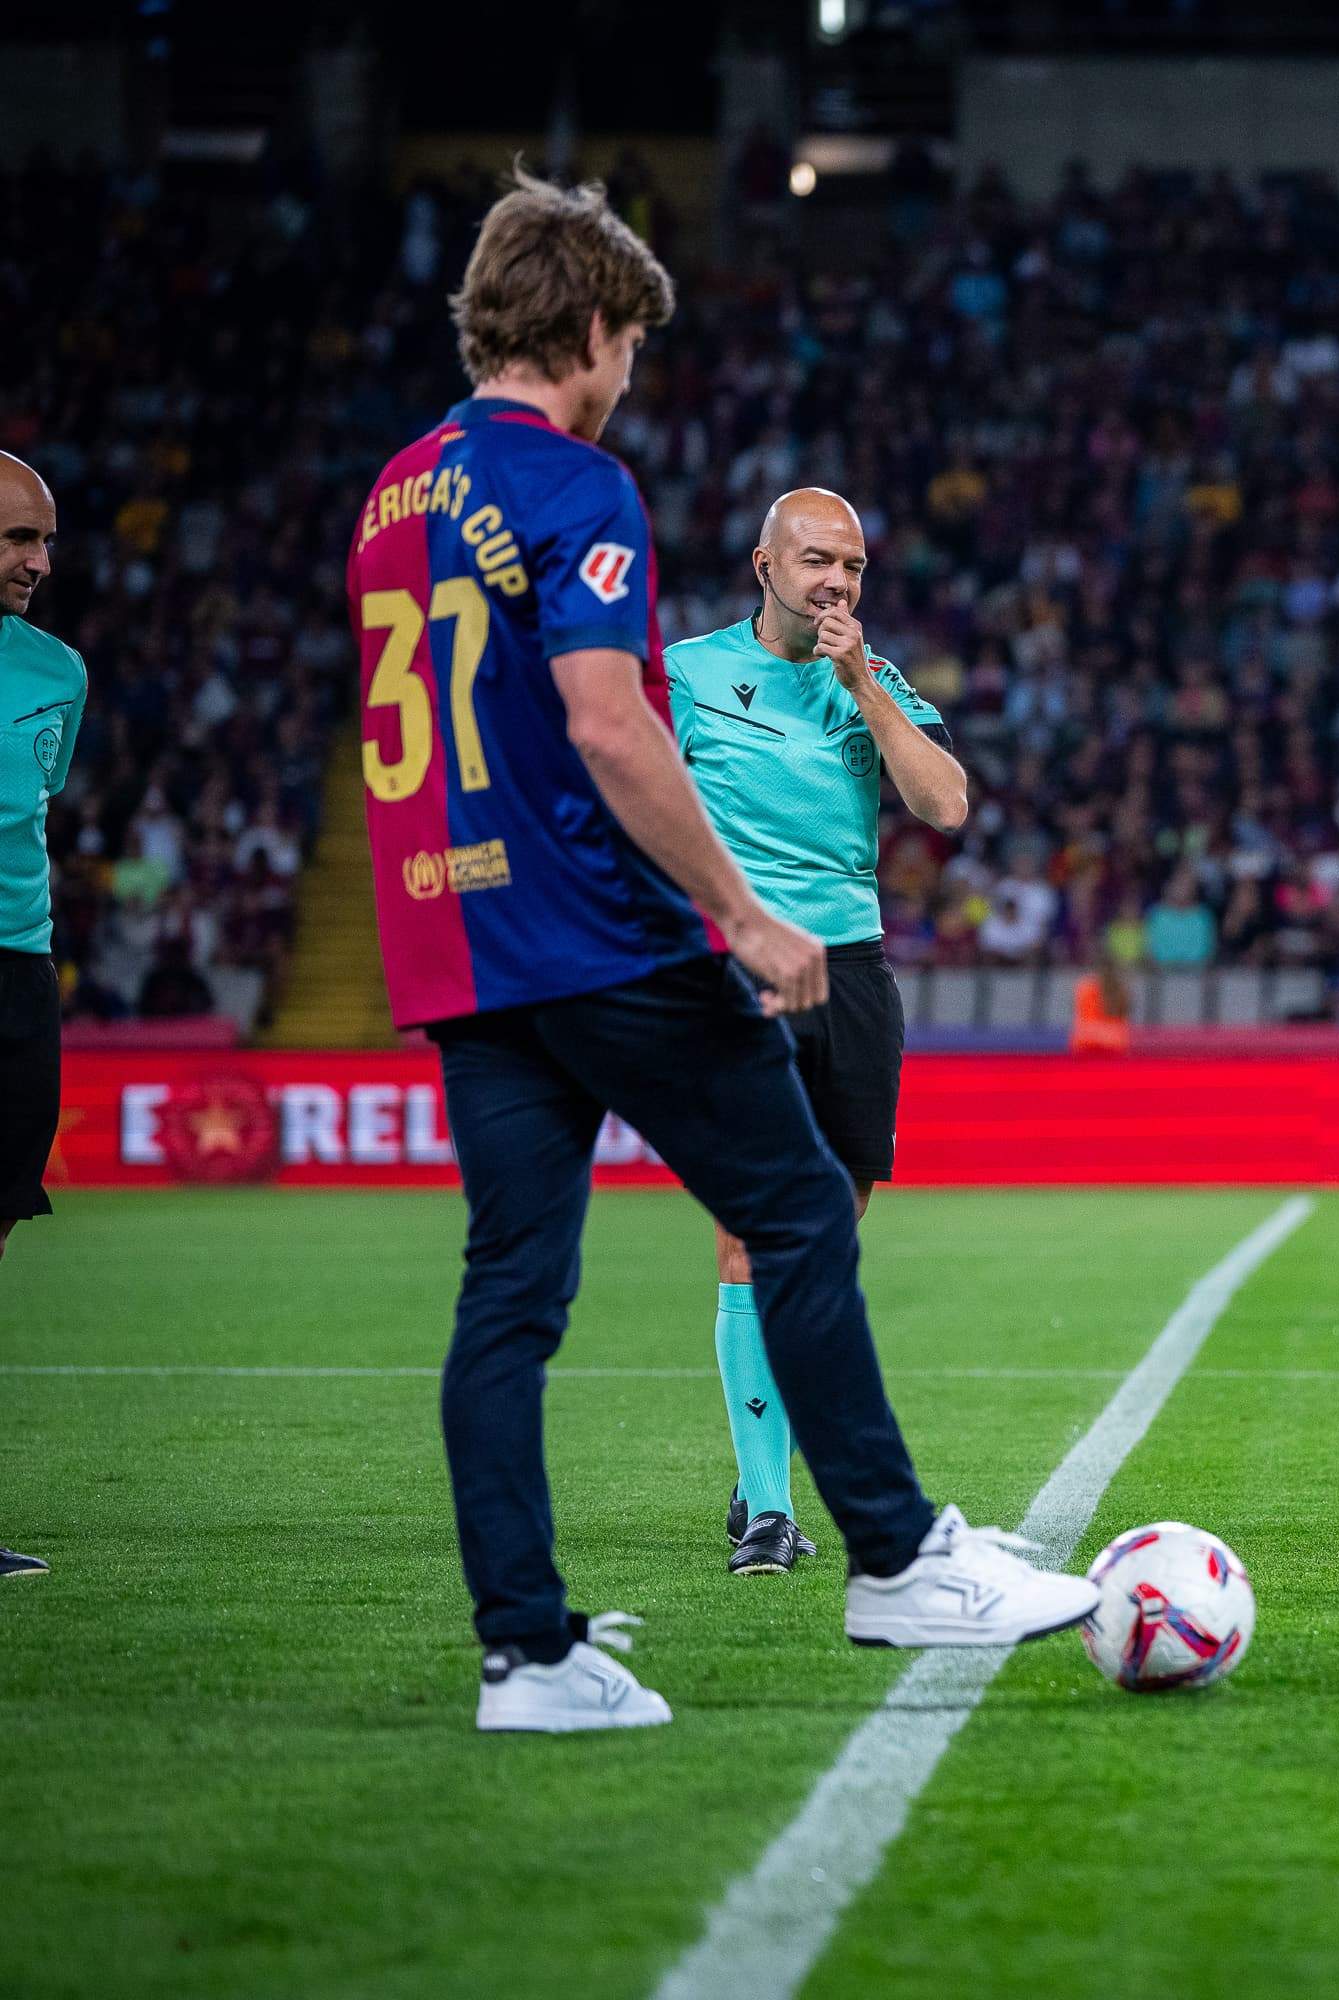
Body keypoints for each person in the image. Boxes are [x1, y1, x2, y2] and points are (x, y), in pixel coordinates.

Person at [347, 171, 1091, 1734]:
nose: (629, 379)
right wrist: (739, 914)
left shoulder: (394, 495)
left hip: (458, 939)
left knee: (510, 1295)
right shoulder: (572, 484)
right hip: (594, 937)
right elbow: (609, 724)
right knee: (800, 1208)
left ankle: (529, 1658)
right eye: (630, 345)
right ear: (597, 325)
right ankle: (893, 1558)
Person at [666, 487, 969, 1576]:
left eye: (851, 563)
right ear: (763, 563)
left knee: (827, 1242)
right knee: (751, 1230)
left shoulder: (872, 683)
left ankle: (764, 1475)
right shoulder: (688, 674)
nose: (835, 580)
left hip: (850, 971)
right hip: (741, 970)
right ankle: (765, 1505)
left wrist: (864, 687)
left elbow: (946, 804)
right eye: (815, 559)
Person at [1, 447, 83, 1585]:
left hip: (19, 973)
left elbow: (37, 814)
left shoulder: (56, 671)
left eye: (45, 539)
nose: (39, 561)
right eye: (20, 538)